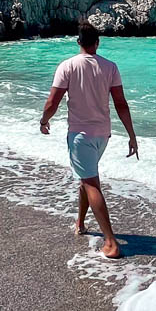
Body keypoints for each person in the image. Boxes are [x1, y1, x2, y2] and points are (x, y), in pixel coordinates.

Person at [40, 21, 138, 259]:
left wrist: (43, 121)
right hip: (103, 134)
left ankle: (111, 242)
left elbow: (53, 101)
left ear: (78, 42)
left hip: (80, 136)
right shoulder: (110, 67)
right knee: (86, 177)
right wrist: (131, 134)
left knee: (91, 182)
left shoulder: (67, 66)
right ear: (97, 42)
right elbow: (121, 104)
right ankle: (81, 223)